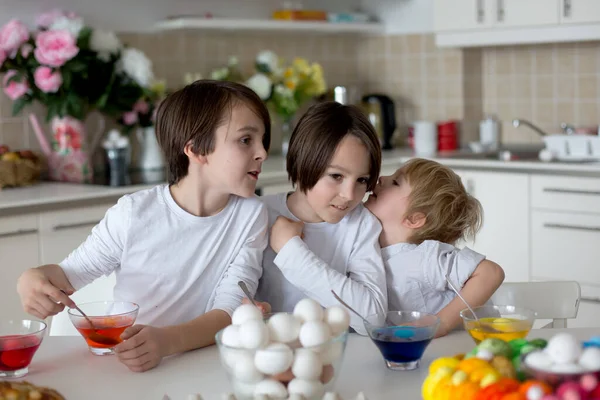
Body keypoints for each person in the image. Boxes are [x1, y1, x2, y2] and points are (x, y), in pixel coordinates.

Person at [17, 80, 271, 371]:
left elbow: (231, 309)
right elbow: (69, 274)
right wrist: (32, 278)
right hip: (123, 364)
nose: (262, 152)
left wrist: (167, 342)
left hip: (199, 362)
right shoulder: (135, 213)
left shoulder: (251, 216)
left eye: (263, 140)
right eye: (245, 140)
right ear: (197, 149)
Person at [255, 101, 388, 334]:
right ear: (303, 162)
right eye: (336, 176)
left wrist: (292, 252)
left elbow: (373, 318)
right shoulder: (258, 215)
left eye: (362, 180)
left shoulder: (361, 224)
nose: (349, 195)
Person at [364, 158, 505, 337]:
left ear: (414, 218)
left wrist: (442, 323)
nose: (382, 178)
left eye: (395, 182)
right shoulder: (372, 250)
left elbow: (491, 273)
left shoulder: (424, 256)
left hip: (473, 349)